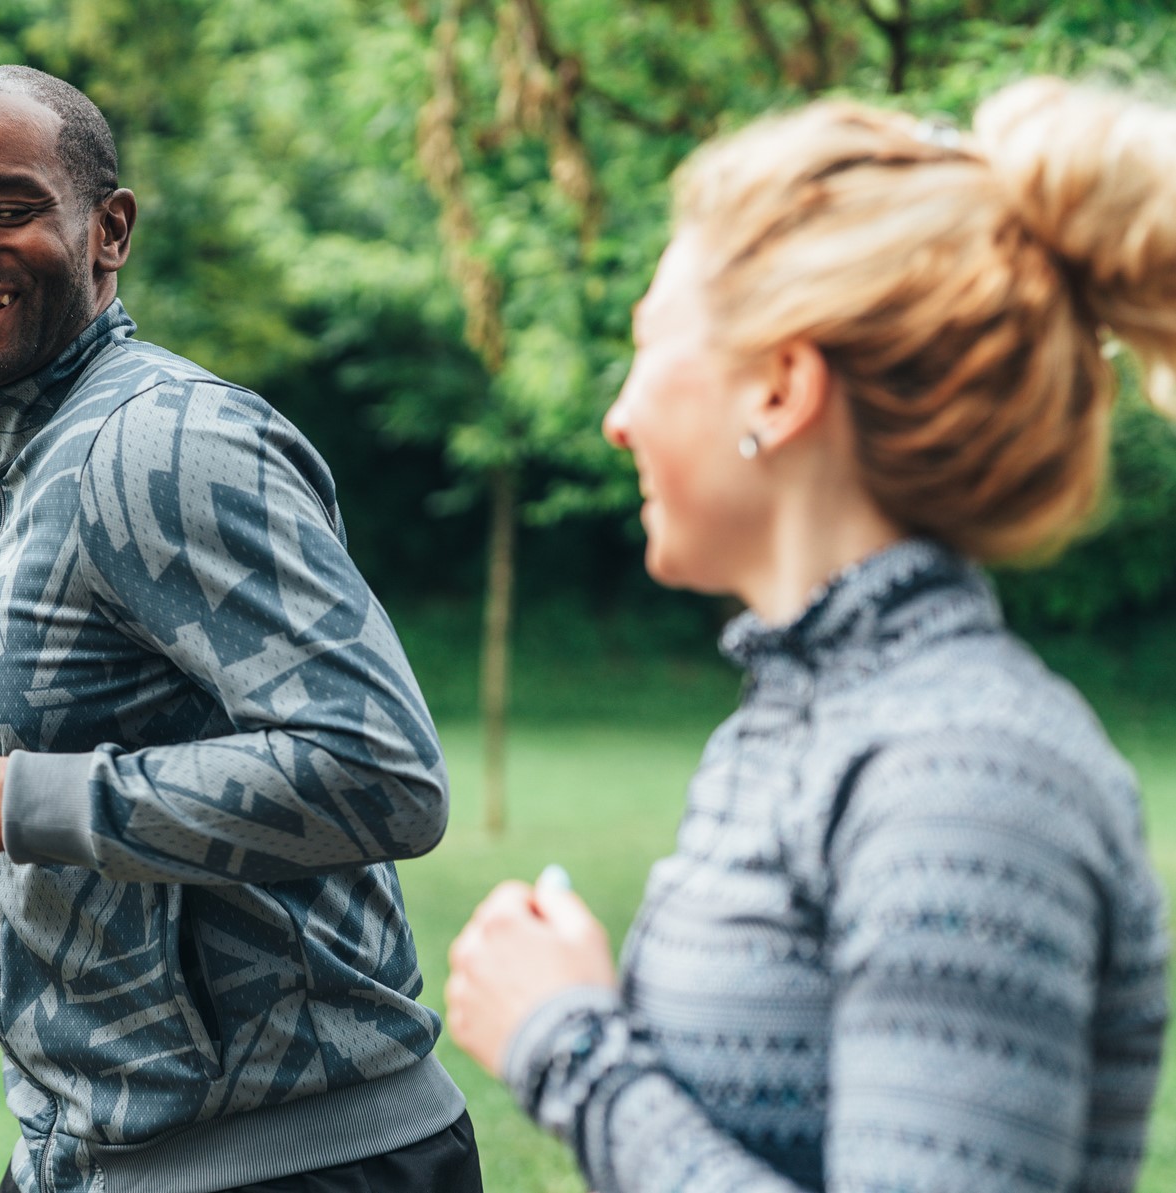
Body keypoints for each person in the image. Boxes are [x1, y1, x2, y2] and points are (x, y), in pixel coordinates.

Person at [444, 78, 1174, 1193]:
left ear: (781, 389)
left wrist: (570, 1047)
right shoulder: (805, 723)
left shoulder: (966, 771)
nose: (619, 414)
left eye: (650, 348)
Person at [0, 66, 478, 1193]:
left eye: (7, 207)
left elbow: (382, 770)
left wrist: (7, 802)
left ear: (107, 230)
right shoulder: (9, 477)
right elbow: (135, 754)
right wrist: (11, 884)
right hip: (90, 1156)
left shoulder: (166, 443)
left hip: (293, 1165)